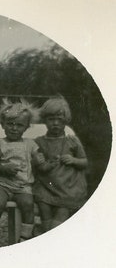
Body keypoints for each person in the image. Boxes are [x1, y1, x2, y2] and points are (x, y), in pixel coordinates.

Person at [0, 100, 42, 249]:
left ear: (26, 127)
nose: (14, 128)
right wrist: (4, 169)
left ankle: (24, 240)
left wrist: (40, 160)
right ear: (3, 124)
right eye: (10, 124)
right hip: (1, 185)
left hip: (23, 185)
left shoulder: (30, 144)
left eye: (19, 125)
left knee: (28, 205)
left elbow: (39, 160)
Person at [33, 97, 88, 233]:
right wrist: (40, 162)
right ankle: (45, 233)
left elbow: (84, 162)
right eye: (51, 120)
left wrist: (73, 160)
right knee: (43, 205)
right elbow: (38, 166)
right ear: (44, 120)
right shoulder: (39, 142)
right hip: (47, 186)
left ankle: (51, 234)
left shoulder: (72, 141)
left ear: (66, 120)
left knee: (60, 215)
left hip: (68, 187)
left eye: (60, 120)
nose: (55, 123)